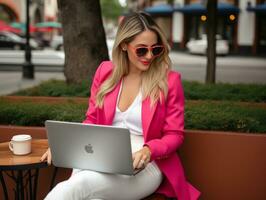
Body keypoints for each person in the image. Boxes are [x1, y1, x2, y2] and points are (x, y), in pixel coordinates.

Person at [41, 12, 200, 200]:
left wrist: (149, 151)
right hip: (101, 155)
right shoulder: (105, 72)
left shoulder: (169, 81)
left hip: (146, 164)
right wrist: (67, 146)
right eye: (141, 50)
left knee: (79, 186)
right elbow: (92, 119)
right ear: (124, 45)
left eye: (155, 49)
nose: (149, 56)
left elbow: (175, 134)